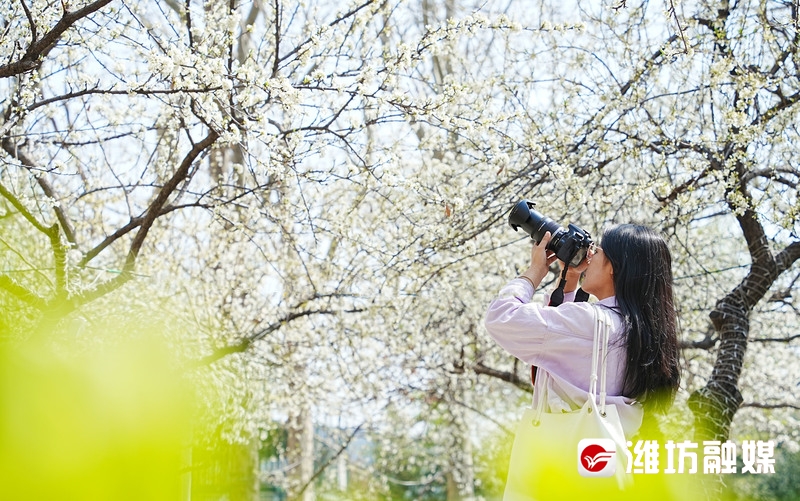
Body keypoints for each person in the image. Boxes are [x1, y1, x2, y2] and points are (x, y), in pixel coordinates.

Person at [484, 223, 681, 438]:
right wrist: (568, 279)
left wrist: (534, 272)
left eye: (596, 251)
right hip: (603, 460)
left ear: (614, 266)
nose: (589, 255)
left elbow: (501, 316)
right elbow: (565, 351)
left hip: (559, 461)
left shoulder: (587, 323)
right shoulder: (640, 334)